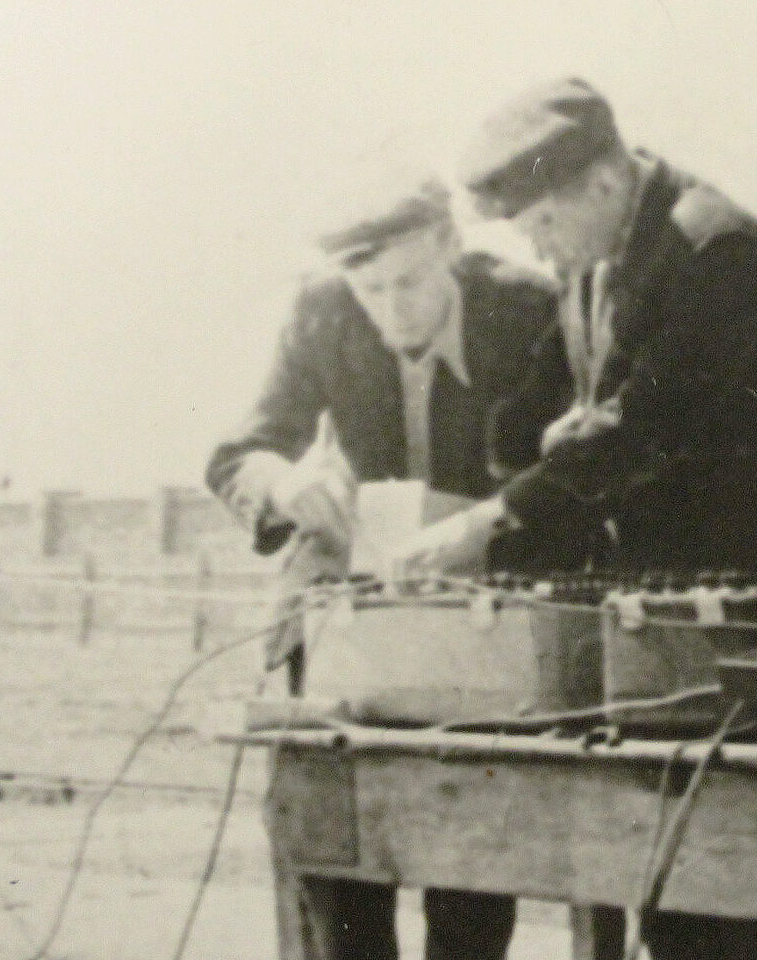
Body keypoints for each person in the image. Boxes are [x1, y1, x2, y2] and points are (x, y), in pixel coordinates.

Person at [397, 77, 757, 960]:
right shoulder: (596, 257)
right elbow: (524, 416)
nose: (539, 249)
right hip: (663, 621)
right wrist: (539, 443)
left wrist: (496, 518)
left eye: (542, 224)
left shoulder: (716, 247)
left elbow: (647, 424)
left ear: (604, 183)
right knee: (675, 892)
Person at [207, 163, 563, 960]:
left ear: (450, 244)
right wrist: (283, 482)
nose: (392, 308)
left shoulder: (528, 310)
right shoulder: (322, 308)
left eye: (410, 281)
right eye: (371, 289)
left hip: (481, 621)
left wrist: (485, 529)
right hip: (351, 620)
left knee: (469, 871)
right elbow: (239, 451)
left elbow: (573, 470)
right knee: (342, 869)